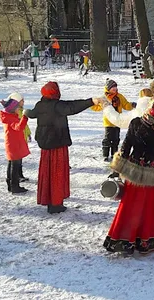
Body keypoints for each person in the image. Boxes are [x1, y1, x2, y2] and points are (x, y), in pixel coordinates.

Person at [103, 96, 154, 255]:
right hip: (152, 173)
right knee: (152, 207)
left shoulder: (140, 123)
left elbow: (126, 147)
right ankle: (150, 239)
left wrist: (117, 168)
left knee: (131, 206)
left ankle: (126, 239)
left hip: (135, 171)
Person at [23, 81, 103, 213]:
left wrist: (26, 112)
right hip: (58, 145)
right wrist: (91, 101)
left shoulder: (40, 105)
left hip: (45, 146)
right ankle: (56, 203)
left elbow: (31, 114)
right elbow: (72, 107)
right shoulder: (57, 106)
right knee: (57, 174)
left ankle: (48, 199)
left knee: (47, 173)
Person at [91, 79, 133, 162]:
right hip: (108, 122)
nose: (114, 89)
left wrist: (132, 105)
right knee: (107, 138)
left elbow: (126, 105)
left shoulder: (120, 96)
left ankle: (114, 154)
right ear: (108, 88)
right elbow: (98, 107)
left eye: (115, 87)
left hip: (118, 121)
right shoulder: (104, 98)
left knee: (116, 139)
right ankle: (105, 155)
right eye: (112, 87)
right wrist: (92, 104)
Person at [0, 97, 30, 194]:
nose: (19, 109)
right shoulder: (11, 118)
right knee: (15, 166)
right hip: (14, 145)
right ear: (12, 109)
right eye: (17, 107)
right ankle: (14, 186)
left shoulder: (8, 116)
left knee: (11, 164)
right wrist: (25, 117)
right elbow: (19, 127)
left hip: (12, 144)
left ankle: (10, 184)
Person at [6, 92, 32, 182]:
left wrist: (28, 133)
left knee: (19, 158)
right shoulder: (16, 112)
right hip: (17, 138)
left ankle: (19, 175)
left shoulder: (20, 110)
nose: (23, 102)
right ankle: (15, 177)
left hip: (22, 136)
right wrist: (25, 117)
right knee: (16, 160)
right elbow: (19, 125)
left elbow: (25, 126)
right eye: (22, 100)